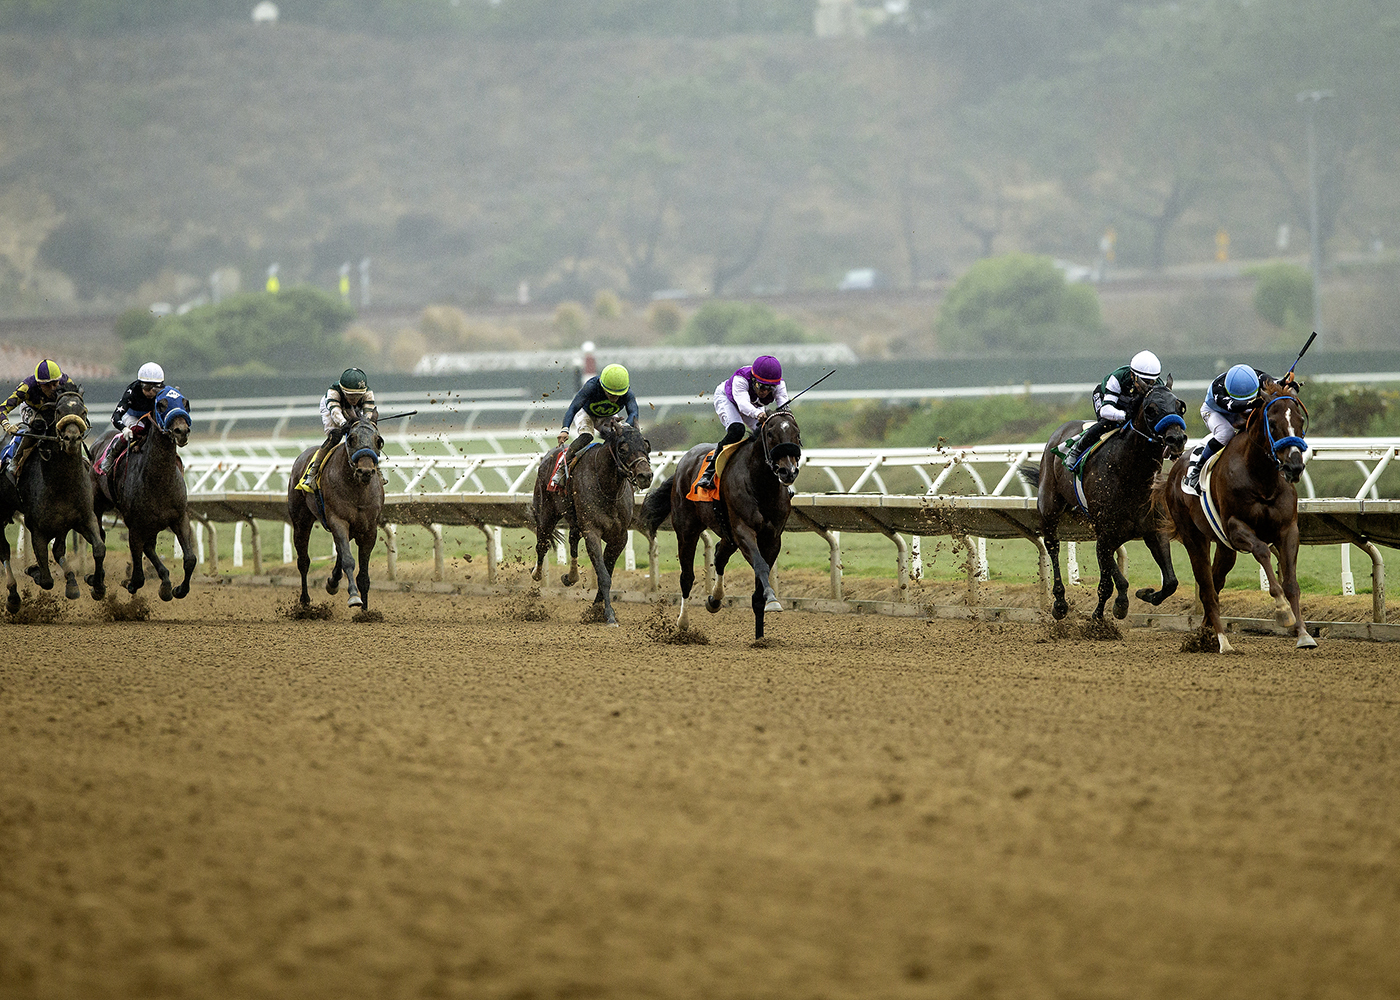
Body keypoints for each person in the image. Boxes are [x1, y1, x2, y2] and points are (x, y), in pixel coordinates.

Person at [696, 354, 789, 491]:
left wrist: (784, 414)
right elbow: (743, 405)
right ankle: (709, 472)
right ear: (754, 379)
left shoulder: (780, 385)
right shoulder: (741, 379)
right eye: (762, 386)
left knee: (766, 433)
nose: (765, 392)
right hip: (729, 400)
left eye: (770, 388)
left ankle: (777, 475)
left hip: (753, 405)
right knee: (737, 430)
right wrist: (758, 414)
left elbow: (783, 405)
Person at [1063, 350, 1164, 470]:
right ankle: (1076, 451)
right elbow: (1105, 410)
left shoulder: (1159, 385)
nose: (1147, 386)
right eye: (1142, 381)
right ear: (1132, 375)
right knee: (1108, 423)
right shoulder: (1118, 377)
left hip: (1129, 404)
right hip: (1106, 399)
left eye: (1151, 382)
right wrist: (1124, 416)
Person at [549, 363, 639, 489]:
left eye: (618, 395)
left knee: (622, 439)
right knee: (587, 436)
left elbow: (634, 413)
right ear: (602, 387)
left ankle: (629, 474)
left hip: (608, 416)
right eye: (611, 394)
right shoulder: (591, 386)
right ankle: (562, 468)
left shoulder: (628, 393)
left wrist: (625, 427)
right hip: (586, 414)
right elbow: (573, 408)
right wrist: (565, 429)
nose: (614, 398)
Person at [1185, 363, 1267, 492]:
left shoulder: (1257, 376)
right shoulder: (1218, 389)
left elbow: (1275, 383)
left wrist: (1287, 384)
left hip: (1241, 410)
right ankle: (1197, 470)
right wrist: (1249, 403)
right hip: (1215, 411)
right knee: (1226, 432)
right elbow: (1231, 405)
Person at [296, 368, 378, 492]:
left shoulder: (368, 393)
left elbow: (368, 413)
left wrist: (365, 424)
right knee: (335, 436)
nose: (354, 399)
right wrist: (343, 423)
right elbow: (335, 412)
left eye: (358, 396)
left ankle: (377, 470)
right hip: (332, 408)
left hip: (349, 408)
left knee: (365, 435)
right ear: (343, 390)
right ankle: (312, 473)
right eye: (351, 395)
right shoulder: (333, 393)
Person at [0, 359, 81, 477]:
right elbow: (2, 408)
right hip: (32, 409)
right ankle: (16, 459)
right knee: (38, 425)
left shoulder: (66, 382)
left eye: (55, 384)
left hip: (54, 408)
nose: (53, 388)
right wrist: (7, 425)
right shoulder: (27, 387)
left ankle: (79, 457)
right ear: (38, 384)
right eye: (47, 385)